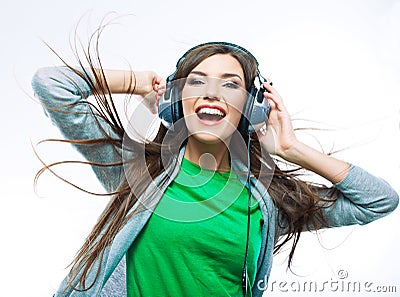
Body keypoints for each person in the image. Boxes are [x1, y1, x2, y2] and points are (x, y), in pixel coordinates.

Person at [32, 41, 399, 297]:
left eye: (231, 84)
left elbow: (379, 201)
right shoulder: (137, 171)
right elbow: (52, 84)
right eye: (197, 81)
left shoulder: (266, 201)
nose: (213, 93)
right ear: (177, 100)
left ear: (252, 107)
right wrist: (139, 82)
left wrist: (293, 149)